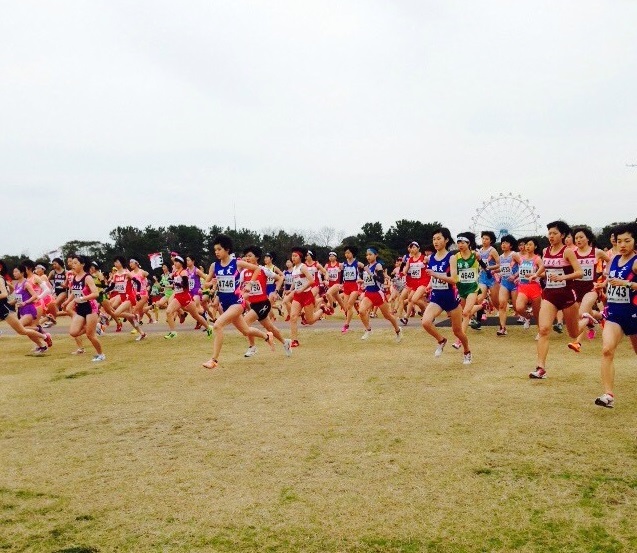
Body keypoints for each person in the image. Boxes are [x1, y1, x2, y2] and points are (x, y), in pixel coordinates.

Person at [202, 235, 275, 369]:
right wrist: (211, 283)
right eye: (215, 250)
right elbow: (206, 283)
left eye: (219, 249)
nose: (216, 252)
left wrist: (250, 284)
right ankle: (267, 336)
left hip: (237, 302)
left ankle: (214, 360)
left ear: (227, 249)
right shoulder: (214, 266)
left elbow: (257, 268)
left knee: (218, 325)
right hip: (225, 304)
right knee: (246, 331)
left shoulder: (237, 263)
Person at [529, 221, 583, 379]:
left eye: (554, 233)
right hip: (550, 294)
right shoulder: (546, 250)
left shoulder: (568, 252)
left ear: (563, 235)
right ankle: (540, 368)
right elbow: (545, 266)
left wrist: (562, 277)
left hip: (566, 294)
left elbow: (579, 272)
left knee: (573, 333)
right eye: (549, 233)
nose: (551, 236)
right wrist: (536, 274)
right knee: (544, 329)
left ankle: (586, 319)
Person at [594, 223, 637, 408]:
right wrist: (602, 286)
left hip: (634, 313)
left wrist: (625, 284)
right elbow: (610, 281)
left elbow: (622, 283)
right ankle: (608, 395)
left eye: (627, 240)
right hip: (614, 314)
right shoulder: (613, 259)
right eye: (619, 241)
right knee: (607, 350)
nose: (622, 245)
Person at [421, 228, 472, 364]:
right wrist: (430, 285)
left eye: (439, 238)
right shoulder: (431, 258)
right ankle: (441, 340)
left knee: (457, 331)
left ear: (446, 240)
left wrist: (435, 275)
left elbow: (454, 279)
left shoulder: (451, 258)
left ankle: (467, 350)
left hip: (451, 298)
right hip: (437, 297)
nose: (436, 242)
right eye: (434, 239)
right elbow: (433, 275)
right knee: (425, 322)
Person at [239, 245, 291, 357]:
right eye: (246, 256)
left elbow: (280, 278)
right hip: (253, 304)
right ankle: (285, 342)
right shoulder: (244, 272)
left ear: (257, 257)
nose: (247, 258)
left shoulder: (263, 270)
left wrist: (275, 291)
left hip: (263, 303)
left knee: (245, 323)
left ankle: (252, 347)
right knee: (270, 327)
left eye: (250, 256)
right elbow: (241, 288)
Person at [567, 227, 609, 353]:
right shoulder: (572, 253)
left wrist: (605, 280)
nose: (578, 240)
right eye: (576, 238)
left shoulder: (597, 252)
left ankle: (577, 343)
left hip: (591, 288)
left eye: (581, 237)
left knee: (581, 314)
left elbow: (611, 261)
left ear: (588, 238)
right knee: (588, 312)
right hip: (576, 289)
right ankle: (601, 316)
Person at [0, 264, 51, 354]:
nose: (14, 273)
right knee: (24, 330)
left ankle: (43, 336)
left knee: (21, 329)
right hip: (21, 310)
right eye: (13, 272)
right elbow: (17, 298)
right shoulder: (17, 285)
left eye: (16, 271)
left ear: (22, 272)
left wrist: (25, 302)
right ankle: (41, 342)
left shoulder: (26, 283)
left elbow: (35, 295)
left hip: (29, 309)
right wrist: (11, 303)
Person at [357, 248, 402, 342]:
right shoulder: (367, 266)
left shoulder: (378, 265)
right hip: (368, 293)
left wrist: (371, 273)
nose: (368, 256)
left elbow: (381, 280)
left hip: (378, 294)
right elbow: (365, 279)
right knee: (361, 311)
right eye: (367, 255)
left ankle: (398, 330)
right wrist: (361, 271)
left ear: (375, 255)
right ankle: (368, 330)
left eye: (370, 254)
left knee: (388, 316)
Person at [164, 256, 212, 339]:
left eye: (177, 262)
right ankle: (173, 332)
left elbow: (185, 285)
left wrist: (206, 286)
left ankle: (208, 327)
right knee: (168, 311)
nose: (175, 263)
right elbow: (175, 283)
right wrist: (171, 283)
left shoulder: (184, 272)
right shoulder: (176, 272)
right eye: (174, 262)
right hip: (178, 297)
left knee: (196, 316)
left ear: (181, 263)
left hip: (186, 297)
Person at [68, 255, 105, 362]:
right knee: (73, 332)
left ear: (83, 264)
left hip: (90, 307)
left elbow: (96, 293)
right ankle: (94, 326)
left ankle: (101, 354)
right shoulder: (74, 277)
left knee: (90, 335)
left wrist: (83, 298)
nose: (73, 265)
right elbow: (73, 292)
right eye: (72, 263)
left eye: (75, 263)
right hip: (80, 308)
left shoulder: (87, 277)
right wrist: (67, 301)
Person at [453, 232, 481, 349]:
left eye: (463, 242)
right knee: (464, 313)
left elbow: (483, 265)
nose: (460, 244)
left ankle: (459, 340)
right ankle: (482, 306)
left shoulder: (475, 255)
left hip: (472, 288)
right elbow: (454, 274)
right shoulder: (455, 257)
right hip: (461, 288)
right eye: (458, 242)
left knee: (465, 313)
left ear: (469, 243)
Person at [495, 234, 521, 337]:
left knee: (516, 307)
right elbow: (502, 269)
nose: (503, 244)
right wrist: (494, 271)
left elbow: (523, 266)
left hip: (514, 284)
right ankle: (502, 328)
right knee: (502, 305)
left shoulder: (514, 255)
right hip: (504, 283)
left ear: (511, 245)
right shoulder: (501, 257)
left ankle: (526, 317)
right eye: (502, 243)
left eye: (506, 242)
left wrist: (515, 276)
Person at [340, 245, 365, 333]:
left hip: (354, 285)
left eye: (348, 253)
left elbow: (365, 269)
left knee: (350, 304)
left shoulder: (357, 263)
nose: (346, 254)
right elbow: (341, 274)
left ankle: (346, 324)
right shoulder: (343, 264)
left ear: (352, 253)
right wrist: (341, 284)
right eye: (345, 253)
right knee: (347, 307)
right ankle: (347, 324)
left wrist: (363, 279)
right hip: (346, 285)